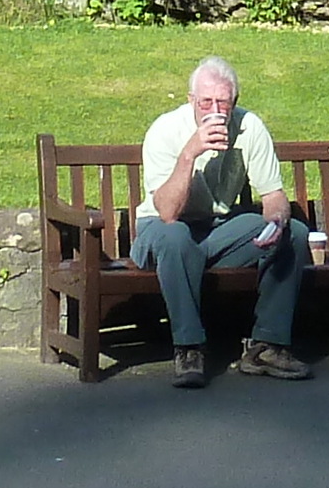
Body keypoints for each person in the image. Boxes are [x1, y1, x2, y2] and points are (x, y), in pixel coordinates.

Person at [131, 55, 311, 387]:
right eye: (206, 102)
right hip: (161, 230)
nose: (214, 109)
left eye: (223, 102)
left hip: (217, 230)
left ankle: (267, 346)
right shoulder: (166, 130)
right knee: (175, 237)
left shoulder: (249, 127)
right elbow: (167, 212)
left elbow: (273, 196)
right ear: (191, 101)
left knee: (294, 233)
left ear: (234, 102)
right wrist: (190, 154)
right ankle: (189, 348)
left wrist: (277, 222)